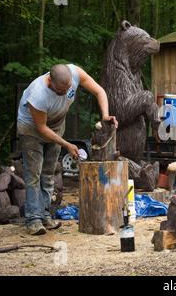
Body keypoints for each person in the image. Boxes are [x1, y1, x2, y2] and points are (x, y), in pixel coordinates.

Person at [17, 64, 118, 235]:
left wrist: (105, 115)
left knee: (49, 173)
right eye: (60, 91)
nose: (65, 93)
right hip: (32, 130)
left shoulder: (75, 73)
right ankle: (33, 219)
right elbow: (42, 128)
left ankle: (45, 215)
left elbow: (99, 91)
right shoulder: (38, 94)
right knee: (34, 174)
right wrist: (67, 145)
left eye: (68, 89)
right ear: (50, 81)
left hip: (56, 126)